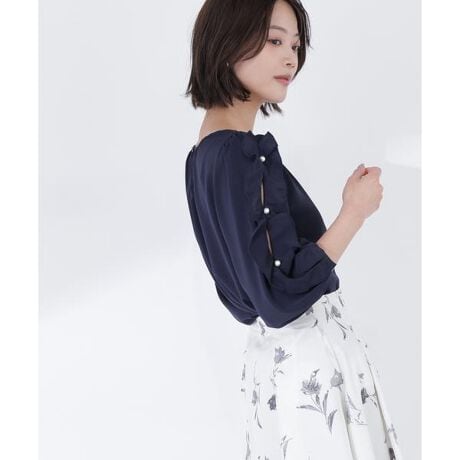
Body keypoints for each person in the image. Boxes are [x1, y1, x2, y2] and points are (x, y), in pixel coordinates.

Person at [184, 0, 403, 458]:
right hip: (309, 366)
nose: (291, 57)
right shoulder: (244, 154)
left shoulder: (202, 155)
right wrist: (354, 212)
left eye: (296, 45)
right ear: (226, 42)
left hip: (271, 371)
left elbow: (247, 298)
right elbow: (280, 297)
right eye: (274, 40)